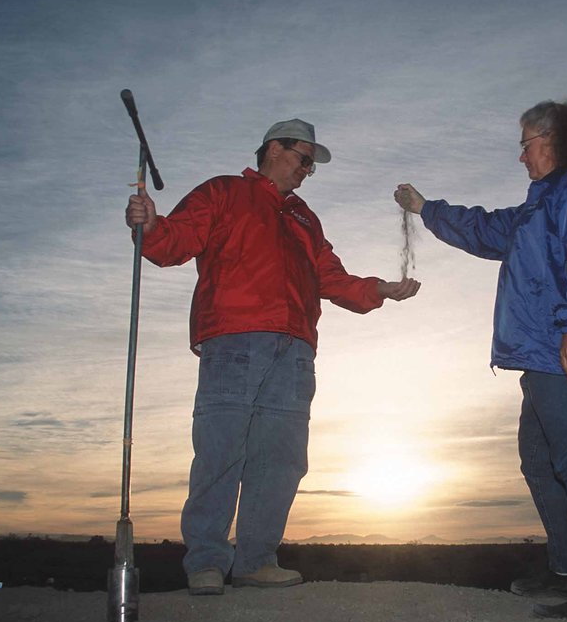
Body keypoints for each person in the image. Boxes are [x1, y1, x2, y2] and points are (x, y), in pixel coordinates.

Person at [126, 118, 421, 596]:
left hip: (296, 349)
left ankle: (256, 560)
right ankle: (206, 562)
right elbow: (170, 243)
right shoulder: (223, 192)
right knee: (221, 451)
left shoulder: (304, 216)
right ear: (274, 151)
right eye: (304, 159)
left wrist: (379, 290)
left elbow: (330, 275)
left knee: (281, 459)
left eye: (311, 164)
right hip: (233, 339)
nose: (308, 170)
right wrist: (150, 224)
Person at [394, 100, 567, 620]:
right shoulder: (536, 207)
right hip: (540, 355)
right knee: (540, 463)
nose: (521, 156)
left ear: (554, 139)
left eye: (525, 143)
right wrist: (425, 207)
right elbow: (483, 229)